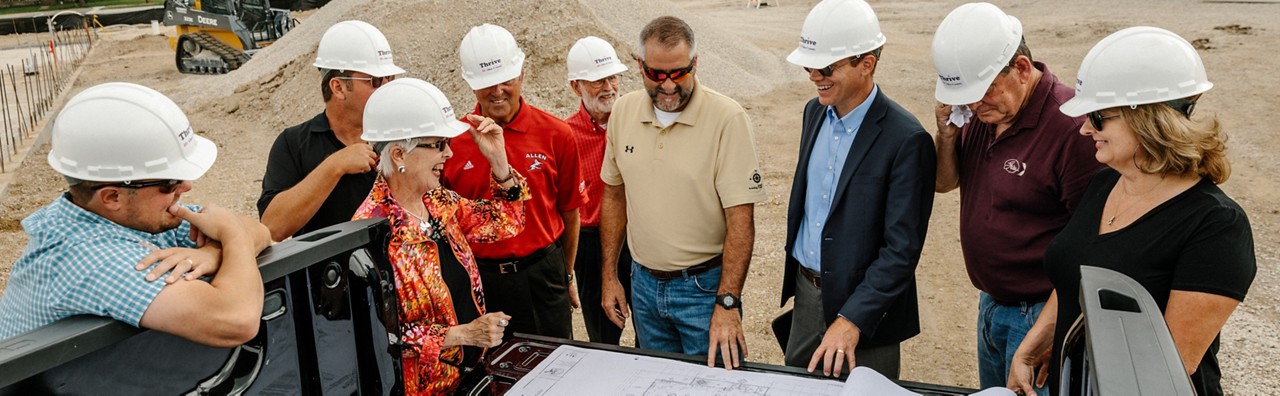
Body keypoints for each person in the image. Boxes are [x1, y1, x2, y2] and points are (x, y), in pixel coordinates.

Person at [1008, 27, 1256, 396]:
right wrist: (1029, 349)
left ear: (1148, 118)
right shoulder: (1103, 184)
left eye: (1098, 117)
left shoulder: (1216, 225)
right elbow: (1074, 275)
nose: (1084, 130)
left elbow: (1170, 365)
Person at [0, 82, 272, 347]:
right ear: (112, 196)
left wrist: (211, 254)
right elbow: (237, 321)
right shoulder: (91, 259)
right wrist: (231, 237)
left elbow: (261, 232)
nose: (187, 187)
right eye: (169, 183)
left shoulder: (118, 216)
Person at [930, 3, 1100, 392]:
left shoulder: (1072, 130)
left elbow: (1092, 247)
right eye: (967, 96)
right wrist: (947, 137)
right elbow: (945, 183)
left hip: (1040, 314)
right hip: (990, 304)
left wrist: (1051, 330)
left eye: (984, 91)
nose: (973, 105)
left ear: (1021, 69)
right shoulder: (978, 115)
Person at [779, 0, 936, 379]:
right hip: (807, 295)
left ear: (866, 63)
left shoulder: (906, 139)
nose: (814, 75)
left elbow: (901, 250)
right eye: (808, 66)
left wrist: (852, 319)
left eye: (826, 67)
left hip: (866, 314)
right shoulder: (813, 113)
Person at [600, 15, 767, 369]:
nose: (669, 85)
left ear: (695, 62)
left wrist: (727, 303)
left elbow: (740, 220)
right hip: (642, 287)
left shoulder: (728, 119)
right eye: (657, 74)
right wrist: (610, 276)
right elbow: (614, 195)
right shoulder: (623, 113)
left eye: (679, 72)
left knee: (714, 387)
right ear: (639, 64)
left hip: (704, 291)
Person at [353, 78, 528, 394]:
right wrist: (462, 335)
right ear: (398, 155)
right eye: (437, 144)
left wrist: (499, 161)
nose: (449, 153)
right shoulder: (371, 232)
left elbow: (507, 223)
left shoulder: (439, 202)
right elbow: (377, 335)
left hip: (472, 375)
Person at [443, 23, 584, 340]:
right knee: (492, 374)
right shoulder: (451, 143)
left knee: (554, 368)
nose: (496, 91)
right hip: (481, 278)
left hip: (543, 274)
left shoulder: (557, 135)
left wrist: (566, 273)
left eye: (505, 80)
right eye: (486, 83)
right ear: (470, 84)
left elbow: (570, 212)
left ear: (521, 73)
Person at [258, 20, 405, 241]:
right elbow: (273, 227)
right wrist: (334, 166)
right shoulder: (294, 143)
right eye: (375, 81)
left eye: (390, 79)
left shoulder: (404, 136)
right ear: (338, 87)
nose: (386, 89)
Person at [563, 36, 635, 345]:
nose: (608, 86)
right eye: (596, 81)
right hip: (591, 245)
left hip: (638, 236)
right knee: (604, 337)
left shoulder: (638, 121)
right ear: (576, 87)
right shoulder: (565, 136)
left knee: (651, 330)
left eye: (612, 77)